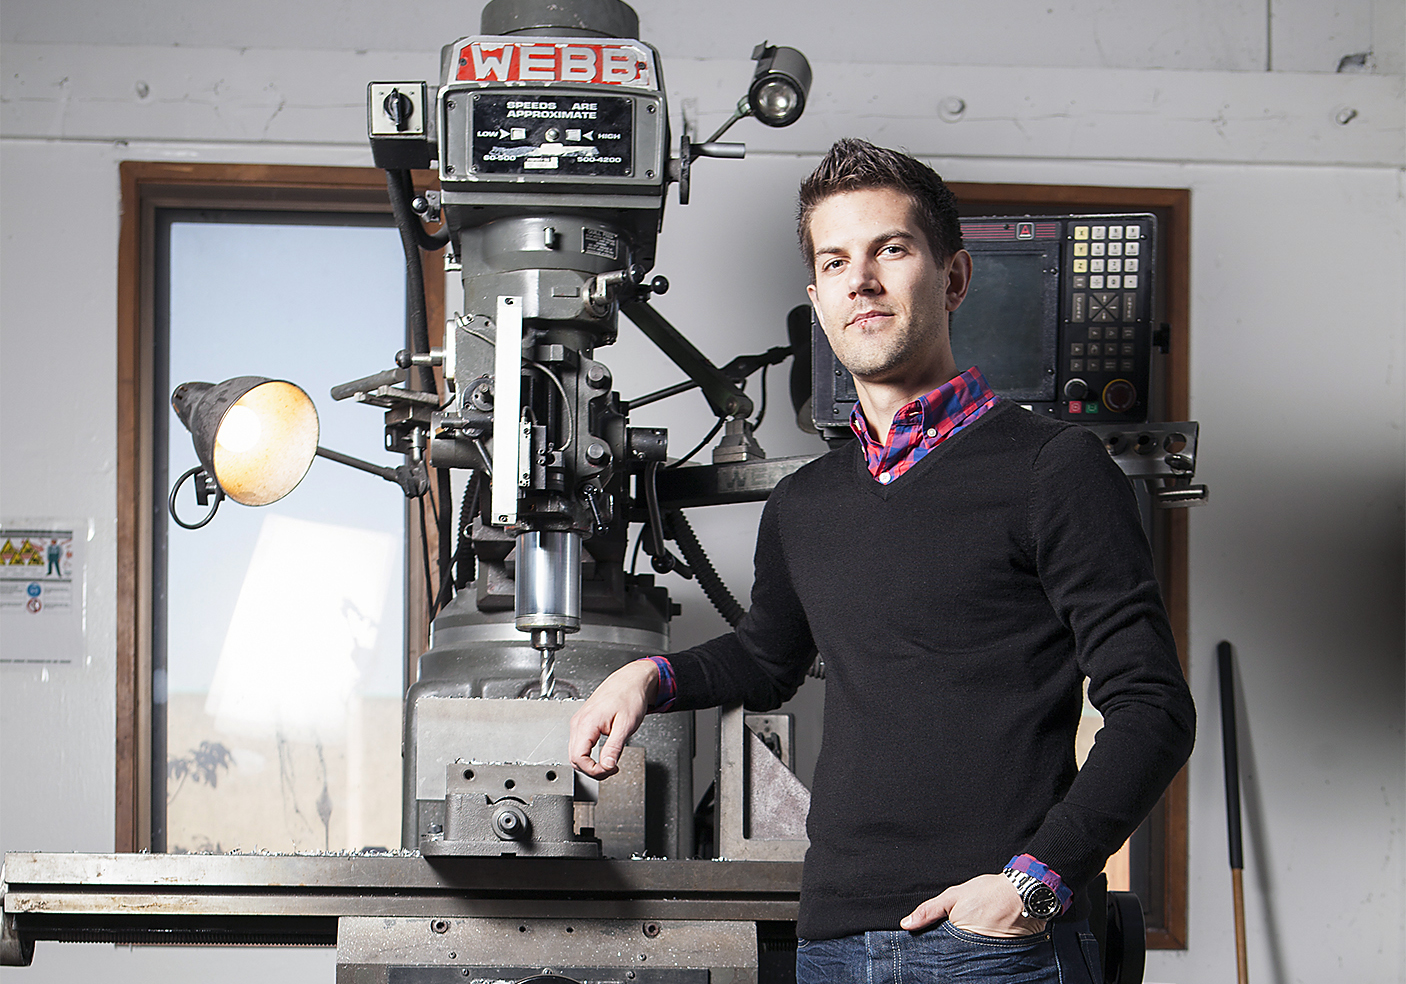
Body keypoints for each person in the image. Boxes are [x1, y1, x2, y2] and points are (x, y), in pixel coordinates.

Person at [570, 138, 1195, 983]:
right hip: (833, 939)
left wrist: (1034, 886)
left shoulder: (1054, 468)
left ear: (953, 278)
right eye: (835, 261)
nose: (860, 279)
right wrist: (648, 677)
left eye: (890, 250)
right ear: (818, 299)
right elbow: (766, 658)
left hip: (994, 948)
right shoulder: (805, 504)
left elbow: (1154, 707)